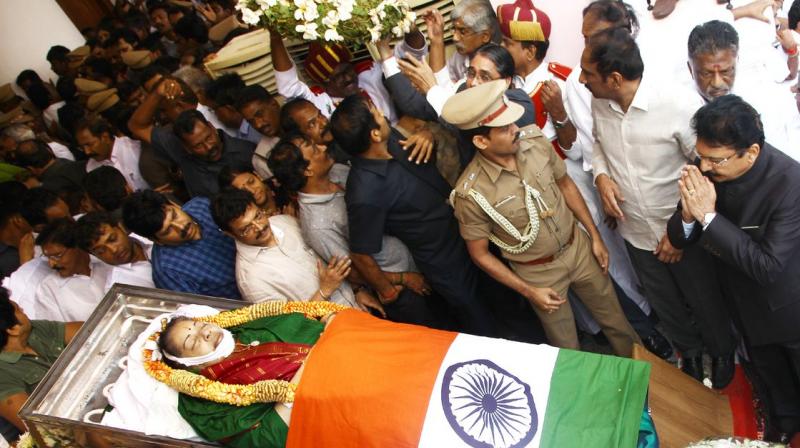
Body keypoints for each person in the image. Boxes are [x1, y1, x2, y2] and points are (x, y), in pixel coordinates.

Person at [583, 27, 736, 386]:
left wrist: (680, 231)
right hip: (635, 230)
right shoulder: (598, 101)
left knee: (703, 298)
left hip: (684, 230)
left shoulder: (679, 106)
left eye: (588, 73)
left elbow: (707, 171)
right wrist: (602, 177)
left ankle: (722, 352)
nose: (581, 79)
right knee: (664, 302)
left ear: (614, 78)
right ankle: (692, 356)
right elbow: (599, 146)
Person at [446, 80, 640, 356]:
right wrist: (528, 291)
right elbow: (480, 255)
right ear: (481, 141)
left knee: (617, 323)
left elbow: (566, 186)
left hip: (578, 249)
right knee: (567, 348)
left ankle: (651, 384)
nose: (516, 130)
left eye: (513, 122)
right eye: (505, 128)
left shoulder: (535, 141)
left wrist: (594, 237)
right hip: (537, 274)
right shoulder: (472, 193)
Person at [667, 95, 800, 443]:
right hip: (741, 304)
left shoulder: (790, 184)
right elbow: (680, 240)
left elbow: (768, 267)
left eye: (716, 160)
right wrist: (687, 214)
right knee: (769, 376)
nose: (705, 167)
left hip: (787, 310)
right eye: (702, 156)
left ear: (751, 152)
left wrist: (708, 217)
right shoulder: (709, 163)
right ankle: (782, 424)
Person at [330, 95, 495, 335]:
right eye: (377, 114)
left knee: (501, 296)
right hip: (445, 261)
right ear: (374, 135)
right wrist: (387, 289)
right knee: (479, 318)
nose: (384, 116)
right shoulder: (364, 193)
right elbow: (360, 252)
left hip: (467, 230)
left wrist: (428, 135)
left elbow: (424, 138)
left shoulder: (391, 140)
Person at [268, 136, 448, 327]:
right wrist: (404, 279)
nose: (322, 147)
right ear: (307, 170)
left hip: (419, 257)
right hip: (404, 289)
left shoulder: (338, 171)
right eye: (314, 150)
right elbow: (353, 272)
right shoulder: (317, 224)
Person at [211, 188, 378, 310]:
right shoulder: (252, 280)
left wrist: (357, 289)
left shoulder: (284, 221)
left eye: (258, 216)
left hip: (361, 307)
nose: (260, 227)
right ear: (230, 234)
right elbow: (293, 328)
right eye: (246, 229)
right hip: (338, 335)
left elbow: (329, 260)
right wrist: (324, 290)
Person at [687, 20, 800, 160]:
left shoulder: (759, 89)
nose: (717, 83)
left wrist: (793, 52)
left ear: (737, 61)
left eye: (726, 71)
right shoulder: (683, 106)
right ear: (690, 69)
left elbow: (789, 73)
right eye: (706, 74)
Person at [122, 190, 240, 298]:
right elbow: (203, 314)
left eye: (174, 215)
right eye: (168, 231)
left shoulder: (202, 206)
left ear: (174, 204)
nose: (181, 227)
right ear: (156, 240)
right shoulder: (168, 273)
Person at [0, 288, 82, 432]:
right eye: (19, 310)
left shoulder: (34, 328)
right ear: (13, 329)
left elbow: (93, 331)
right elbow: (41, 428)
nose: (24, 310)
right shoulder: (2, 375)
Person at [170, 109, 256, 197]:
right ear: (187, 148)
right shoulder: (189, 169)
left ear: (212, 127)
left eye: (208, 137)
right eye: (198, 145)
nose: (209, 147)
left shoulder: (246, 151)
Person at [34, 219, 108, 322]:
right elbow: (57, 334)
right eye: (48, 257)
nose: (52, 264)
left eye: (57, 256)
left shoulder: (107, 263)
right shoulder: (49, 290)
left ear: (77, 246)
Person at [74, 211, 155, 289]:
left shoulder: (149, 234)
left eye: (112, 239)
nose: (114, 250)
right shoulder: (120, 288)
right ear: (95, 256)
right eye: (101, 251)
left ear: (121, 227)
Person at [75, 117, 150, 191]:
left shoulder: (133, 149)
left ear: (105, 137)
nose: (87, 152)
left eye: (89, 144)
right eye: (82, 147)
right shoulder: (92, 169)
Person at [233, 85, 281, 179]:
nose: (258, 125)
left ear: (273, 104)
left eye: (260, 114)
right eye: (251, 121)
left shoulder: (302, 123)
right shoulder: (261, 158)